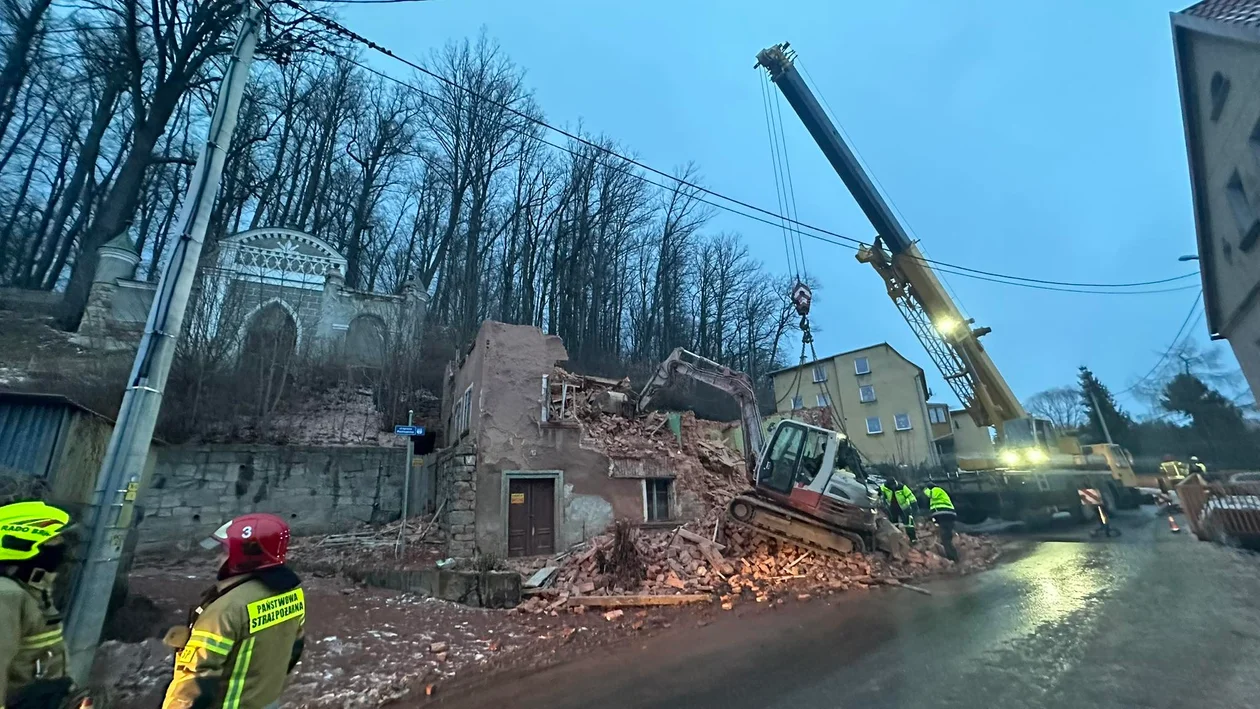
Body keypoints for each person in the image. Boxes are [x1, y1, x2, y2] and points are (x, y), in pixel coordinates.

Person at [162, 513, 305, 709]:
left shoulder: (225, 609)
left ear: (243, 557)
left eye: (224, 551)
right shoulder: (292, 592)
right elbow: (294, 647)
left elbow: (197, 680)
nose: (218, 558)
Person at [0, 501, 85, 709]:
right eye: (54, 540)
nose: (63, 547)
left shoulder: (32, 590)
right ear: (21, 544)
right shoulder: (6, 595)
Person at [921, 484, 958, 561]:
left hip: (946, 515)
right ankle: (953, 556)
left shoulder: (936, 490)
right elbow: (936, 512)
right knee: (946, 538)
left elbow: (930, 494)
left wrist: (924, 489)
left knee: (945, 539)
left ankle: (952, 558)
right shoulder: (938, 497)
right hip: (946, 515)